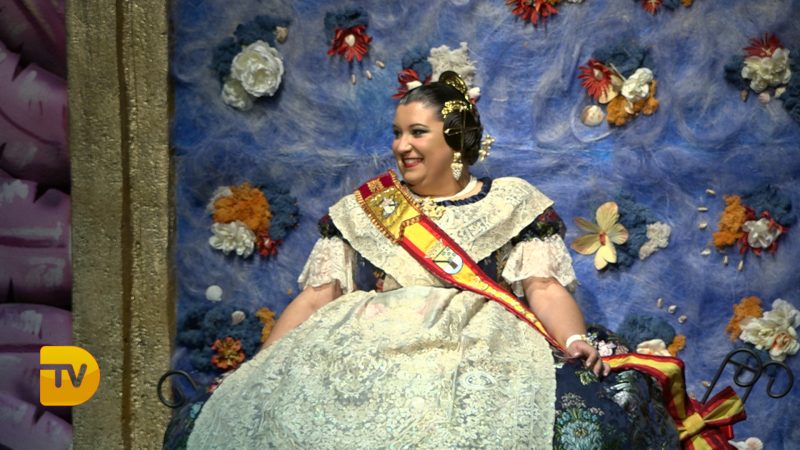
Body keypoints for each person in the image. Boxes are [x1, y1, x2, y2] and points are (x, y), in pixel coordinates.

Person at [185, 72, 679, 449]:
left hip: (478, 344)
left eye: (417, 132)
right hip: (368, 345)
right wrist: (263, 365)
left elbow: (543, 288)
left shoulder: (510, 202)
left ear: (454, 139)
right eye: (397, 133)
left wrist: (572, 340)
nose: (401, 146)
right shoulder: (366, 208)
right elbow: (316, 299)